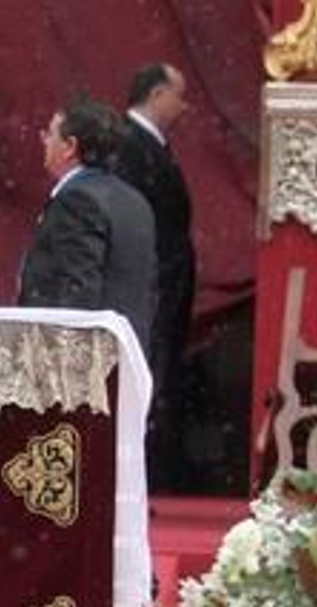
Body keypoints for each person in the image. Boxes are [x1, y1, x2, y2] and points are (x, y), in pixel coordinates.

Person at [18, 96, 157, 354]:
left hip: (81, 369)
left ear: (70, 146)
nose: (44, 141)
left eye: (50, 134)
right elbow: (147, 290)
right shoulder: (135, 201)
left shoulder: (77, 200)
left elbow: (76, 295)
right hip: (129, 354)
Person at [114, 63, 197, 493]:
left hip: (163, 285)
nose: (183, 107)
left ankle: (144, 479)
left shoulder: (151, 145)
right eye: (178, 97)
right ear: (157, 94)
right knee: (146, 380)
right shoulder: (131, 145)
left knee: (156, 377)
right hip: (150, 286)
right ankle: (136, 482)